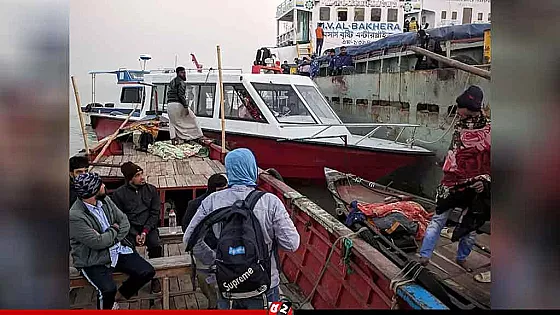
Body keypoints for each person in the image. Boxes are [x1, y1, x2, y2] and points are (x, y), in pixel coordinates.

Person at [183, 148, 300, 310]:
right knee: (279, 309)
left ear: (229, 171)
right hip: (266, 283)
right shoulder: (270, 202)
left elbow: (190, 239)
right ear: (252, 169)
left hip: (227, 282)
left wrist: (214, 259)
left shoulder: (212, 201)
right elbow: (292, 244)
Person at [419, 86, 491, 272]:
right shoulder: (460, 126)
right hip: (452, 181)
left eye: (459, 107)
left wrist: (484, 179)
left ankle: (461, 258)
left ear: (468, 107)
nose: (457, 111)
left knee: (470, 226)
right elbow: (455, 151)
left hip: (475, 183)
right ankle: (425, 256)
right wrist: (448, 164)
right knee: (439, 219)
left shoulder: (489, 130)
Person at [69, 173, 155, 310]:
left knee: (146, 271)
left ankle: (117, 298)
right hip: (93, 258)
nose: (104, 186)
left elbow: (124, 221)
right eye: (100, 185)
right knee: (108, 289)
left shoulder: (105, 200)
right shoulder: (75, 216)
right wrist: (114, 228)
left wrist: (109, 235)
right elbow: (97, 243)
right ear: (92, 191)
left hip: (117, 249)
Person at [111, 162, 163, 293]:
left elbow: (155, 213)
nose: (142, 177)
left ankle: (155, 278)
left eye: (142, 174)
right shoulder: (119, 194)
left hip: (148, 227)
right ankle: (132, 279)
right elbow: (121, 218)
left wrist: (145, 232)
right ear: (130, 179)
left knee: (156, 245)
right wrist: (135, 234)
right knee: (126, 249)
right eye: (137, 175)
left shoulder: (151, 189)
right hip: (129, 228)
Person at [181, 174, 228, 309]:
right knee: (206, 281)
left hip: (223, 247)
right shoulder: (195, 204)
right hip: (204, 247)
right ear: (213, 190)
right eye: (221, 190)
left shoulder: (228, 202)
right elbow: (186, 227)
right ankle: (212, 304)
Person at [166, 66, 203, 145]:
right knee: (192, 118)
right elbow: (181, 95)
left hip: (169, 105)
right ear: (178, 73)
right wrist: (186, 106)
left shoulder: (172, 82)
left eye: (184, 72)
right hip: (177, 104)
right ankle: (199, 135)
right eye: (183, 72)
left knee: (172, 121)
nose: (184, 74)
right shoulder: (181, 82)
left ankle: (173, 139)